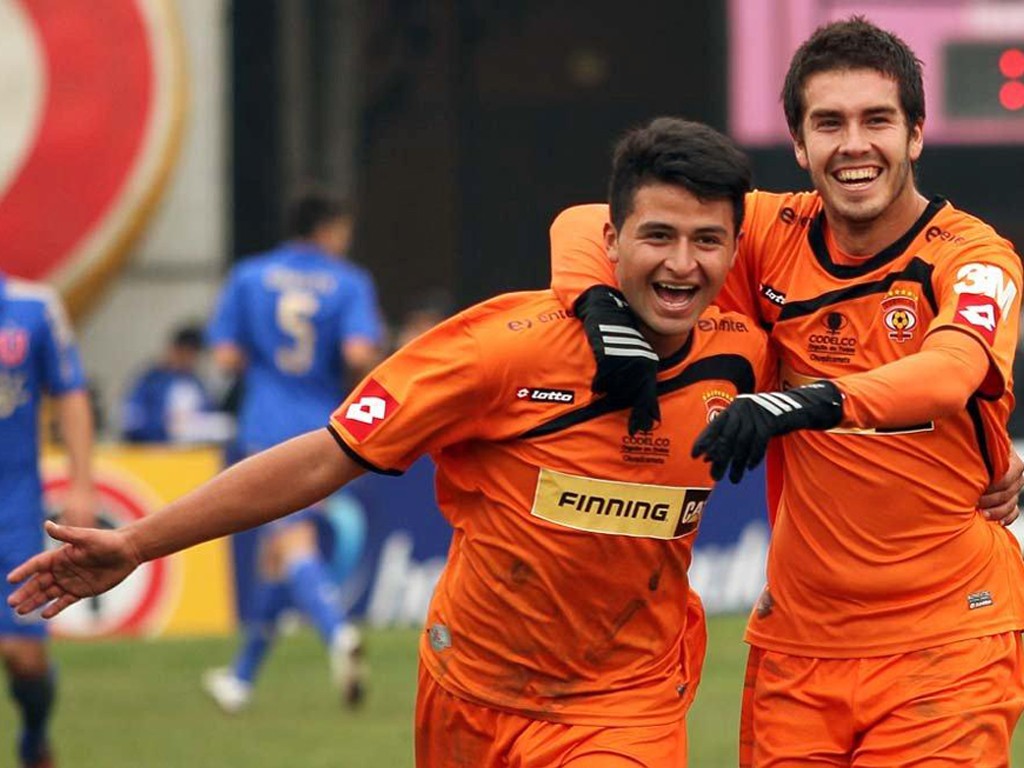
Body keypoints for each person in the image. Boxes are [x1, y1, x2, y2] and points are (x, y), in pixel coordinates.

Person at [8, 118, 772, 767]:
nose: (683, 263)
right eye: (658, 236)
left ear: (737, 249)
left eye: (708, 240)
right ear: (611, 240)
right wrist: (138, 542)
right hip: (469, 689)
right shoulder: (496, 352)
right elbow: (324, 456)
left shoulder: (746, 354)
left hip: (626, 702)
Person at [548, 17, 1024, 767]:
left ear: (917, 135)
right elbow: (587, 223)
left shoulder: (974, 256)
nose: (854, 145)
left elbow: (951, 373)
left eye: (877, 121)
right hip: (798, 649)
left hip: (949, 640)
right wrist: (599, 306)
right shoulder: (772, 230)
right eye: (828, 124)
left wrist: (802, 401)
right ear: (799, 145)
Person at [200, 189, 385, 712]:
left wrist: (268, 362)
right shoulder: (349, 283)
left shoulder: (249, 275)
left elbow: (228, 355)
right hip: (322, 429)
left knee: (287, 543)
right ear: (328, 230)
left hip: (263, 424)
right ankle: (241, 679)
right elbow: (356, 352)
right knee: (277, 552)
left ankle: (335, 634)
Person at [0, 274, 97, 768]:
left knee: (24, 659)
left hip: (13, 512)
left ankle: (34, 735)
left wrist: (82, 485)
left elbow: (72, 393)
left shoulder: (35, 309)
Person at [120, 324, 231, 444]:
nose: (188, 360)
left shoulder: (197, 384)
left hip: (194, 452)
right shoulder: (150, 382)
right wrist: (164, 426)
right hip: (155, 450)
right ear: (174, 349)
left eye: (192, 355)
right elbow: (132, 421)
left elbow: (210, 417)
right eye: (185, 353)